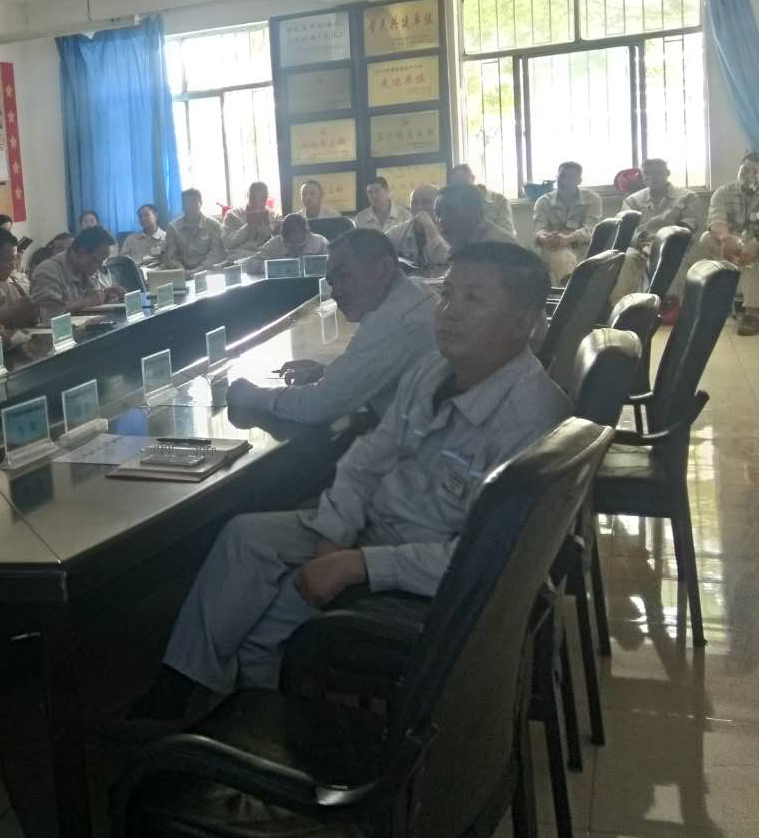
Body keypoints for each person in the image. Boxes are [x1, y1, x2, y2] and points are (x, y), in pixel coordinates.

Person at [123, 242, 571, 723]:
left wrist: (358, 565)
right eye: (447, 294)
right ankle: (188, 692)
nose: (449, 312)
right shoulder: (436, 369)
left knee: (265, 627)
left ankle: (257, 732)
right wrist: (334, 535)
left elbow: (481, 560)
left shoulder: (530, 418)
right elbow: (368, 458)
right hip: (378, 526)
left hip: (423, 571)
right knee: (244, 537)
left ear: (524, 321)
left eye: (474, 299)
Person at [227, 229, 438, 423]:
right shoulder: (418, 291)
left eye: (345, 276)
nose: (336, 292)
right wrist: (331, 373)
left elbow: (318, 405)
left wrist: (253, 395)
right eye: (332, 282)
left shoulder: (391, 321)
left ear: (384, 268)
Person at [611, 158, 700, 307]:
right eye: (647, 174)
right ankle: (621, 308)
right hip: (641, 246)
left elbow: (690, 224)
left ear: (667, 173)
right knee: (625, 258)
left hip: (674, 246)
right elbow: (624, 228)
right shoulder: (633, 200)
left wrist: (663, 244)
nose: (653, 177)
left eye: (658, 173)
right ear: (642, 176)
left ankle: (670, 308)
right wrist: (639, 242)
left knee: (674, 262)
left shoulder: (687, 196)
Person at [697, 151, 759, 335]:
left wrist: (756, 242)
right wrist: (726, 237)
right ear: (739, 169)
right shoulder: (723, 192)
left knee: (753, 257)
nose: (749, 176)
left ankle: (752, 312)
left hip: (755, 243)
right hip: (732, 246)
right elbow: (715, 218)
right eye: (745, 170)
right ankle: (751, 310)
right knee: (706, 238)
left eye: (756, 172)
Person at [30, 226, 125, 321]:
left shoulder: (86, 269)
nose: (99, 267)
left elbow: (94, 298)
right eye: (96, 260)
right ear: (81, 252)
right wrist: (88, 301)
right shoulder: (48, 271)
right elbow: (49, 314)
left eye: (102, 261)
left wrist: (106, 295)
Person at [532, 161, 603, 285]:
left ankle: (572, 289)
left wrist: (568, 239)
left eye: (571, 177)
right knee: (562, 255)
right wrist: (545, 238)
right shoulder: (543, 202)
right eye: (562, 176)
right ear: (556, 178)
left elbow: (591, 229)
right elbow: (539, 230)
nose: (565, 181)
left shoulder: (592, 199)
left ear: (579, 181)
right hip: (553, 248)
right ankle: (571, 290)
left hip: (583, 248)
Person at [435, 183, 520, 260]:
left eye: (451, 210)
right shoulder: (461, 244)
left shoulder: (499, 247)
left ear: (474, 210)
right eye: (438, 213)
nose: (441, 220)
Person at [162, 188, 225, 271]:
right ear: (182, 205)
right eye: (186, 203)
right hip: (180, 271)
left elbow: (216, 254)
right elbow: (171, 256)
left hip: (207, 270)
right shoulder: (173, 227)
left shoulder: (214, 225)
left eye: (193, 202)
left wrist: (197, 271)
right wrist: (182, 271)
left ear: (201, 203)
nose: (189, 206)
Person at [244, 214, 327, 275]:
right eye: (290, 246)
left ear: (308, 234)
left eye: (300, 245)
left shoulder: (320, 243)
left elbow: (334, 266)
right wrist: (275, 267)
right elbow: (250, 265)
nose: (295, 250)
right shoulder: (275, 243)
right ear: (282, 238)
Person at [384, 183, 444, 267]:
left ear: (439, 206)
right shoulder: (397, 233)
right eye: (414, 203)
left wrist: (431, 229)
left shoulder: (449, 231)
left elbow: (447, 260)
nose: (419, 207)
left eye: (426, 202)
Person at [449, 163, 516, 236]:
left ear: (473, 178)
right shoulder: (453, 204)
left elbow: (506, 234)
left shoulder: (500, 201)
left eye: (465, 184)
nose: (462, 190)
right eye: (457, 188)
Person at [222, 181, 279, 255]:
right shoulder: (232, 215)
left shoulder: (274, 216)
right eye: (253, 198)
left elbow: (282, 243)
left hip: (265, 255)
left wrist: (270, 231)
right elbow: (227, 243)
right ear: (247, 196)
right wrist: (247, 228)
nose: (257, 203)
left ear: (267, 198)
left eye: (262, 199)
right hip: (240, 257)